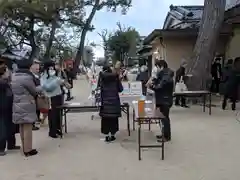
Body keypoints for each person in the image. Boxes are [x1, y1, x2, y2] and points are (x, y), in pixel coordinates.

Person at [11, 58, 40, 157]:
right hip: (27, 103)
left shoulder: (13, 76)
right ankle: (28, 149)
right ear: (28, 66)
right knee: (27, 126)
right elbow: (34, 91)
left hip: (16, 103)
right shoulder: (27, 77)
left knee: (21, 126)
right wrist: (41, 87)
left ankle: (24, 147)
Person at [40, 61, 68, 138]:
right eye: (52, 66)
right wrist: (57, 82)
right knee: (52, 114)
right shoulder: (44, 76)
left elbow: (62, 81)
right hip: (51, 97)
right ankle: (52, 131)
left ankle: (58, 129)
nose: (54, 68)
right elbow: (46, 87)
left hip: (59, 95)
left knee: (58, 113)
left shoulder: (56, 73)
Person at [0, 58, 20, 156]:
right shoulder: (3, 83)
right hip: (3, 107)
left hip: (8, 106)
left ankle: (11, 144)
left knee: (10, 126)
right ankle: (1, 148)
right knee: (3, 128)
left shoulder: (6, 82)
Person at [150, 60, 174, 142]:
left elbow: (160, 87)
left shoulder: (166, 76)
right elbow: (158, 83)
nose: (156, 69)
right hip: (163, 99)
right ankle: (164, 134)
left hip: (165, 100)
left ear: (161, 66)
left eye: (157, 67)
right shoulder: (163, 75)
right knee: (162, 118)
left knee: (165, 118)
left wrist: (152, 86)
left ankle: (167, 137)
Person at [98, 65, 123, 142]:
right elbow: (120, 89)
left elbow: (99, 87)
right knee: (113, 119)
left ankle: (106, 136)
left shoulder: (102, 78)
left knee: (105, 120)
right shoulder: (115, 77)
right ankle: (112, 135)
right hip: (114, 102)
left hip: (105, 103)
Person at [30, 59, 41, 130]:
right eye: (36, 68)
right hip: (31, 96)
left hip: (35, 95)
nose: (38, 69)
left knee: (36, 109)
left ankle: (34, 122)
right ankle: (32, 124)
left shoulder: (37, 76)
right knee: (32, 110)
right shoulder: (31, 76)